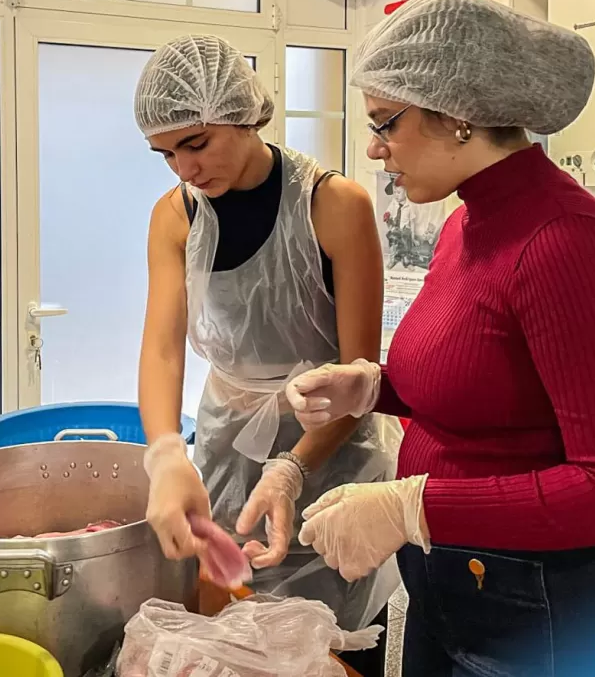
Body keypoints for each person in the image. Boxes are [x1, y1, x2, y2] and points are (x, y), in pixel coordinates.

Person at [287, 0, 595, 676]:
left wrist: (411, 506)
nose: (374, 149)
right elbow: (485, 385)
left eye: (386, 123)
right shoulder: (466, 222)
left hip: (550, 616)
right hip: (462, 589)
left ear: (458, 115)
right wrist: (374, 387)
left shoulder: (568, 242)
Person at [133, 35, 401, 672]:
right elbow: (164, 348)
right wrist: (167, 452)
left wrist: (292, 468)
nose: (184, 170)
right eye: (165, 153)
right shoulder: (176, 216)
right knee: (237, 630)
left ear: (245, 113)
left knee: (331, 643)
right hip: (227, 446)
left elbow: (361, 375)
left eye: (195, 143)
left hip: (329, 453)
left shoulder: (332, 205)